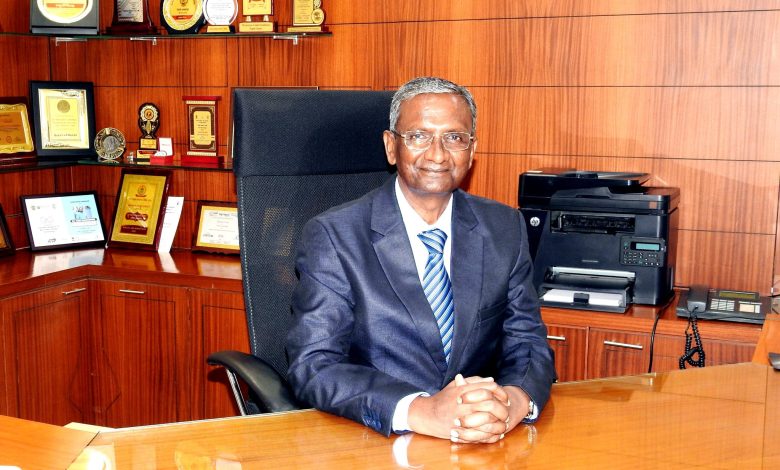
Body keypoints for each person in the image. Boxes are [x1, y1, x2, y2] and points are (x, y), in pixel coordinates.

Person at [287, 77, 556, 444]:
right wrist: (421, 410)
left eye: (454, 137)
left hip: (479, 441)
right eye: (418, 136)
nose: (437, 155)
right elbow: (314, 365)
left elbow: (527, 342)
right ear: (391, 146)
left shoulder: (503, 227)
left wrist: (512, 403)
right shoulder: (335, 236)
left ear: (472, 150)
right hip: (372, 439)